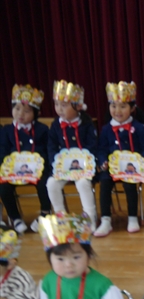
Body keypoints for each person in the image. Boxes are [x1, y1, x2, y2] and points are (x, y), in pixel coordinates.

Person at [94, 81, 144, 236]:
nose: (117, 110)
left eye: (123, 106)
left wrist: (142, 161)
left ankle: (132, 217)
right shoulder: (106, 129)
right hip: (112, 168)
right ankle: (106, 220)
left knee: (129, 184)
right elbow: (101, 148)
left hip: (132, 169)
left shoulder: (139, 128)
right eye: (113, 106)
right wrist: (103, 161)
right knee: (105, 183)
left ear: (132, 108)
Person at [46, 81, 99, 230]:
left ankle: (90, 218)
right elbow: (51, 146)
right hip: (63, 169)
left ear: (78, 106)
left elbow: (93, 145)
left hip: (84, 169)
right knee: (51, 183)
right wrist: (56, 163)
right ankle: (61, 217)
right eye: (57, 104)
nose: (59, 109)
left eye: (64, 105)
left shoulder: (87, 124)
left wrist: (87, 163)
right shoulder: (55, 125)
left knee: (82, 183)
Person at [0, 84, 51, 234]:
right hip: (14, 171)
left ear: (36, 113)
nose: (20, 114)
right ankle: (15, 218)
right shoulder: (7, 130)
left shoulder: (42, 129)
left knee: (44, 184)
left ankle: (45, 213)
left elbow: (47, 150)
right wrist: (7, 166)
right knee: (3, 186)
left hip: (37, 170)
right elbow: (2, 151)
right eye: (17, 109)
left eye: (27, 111)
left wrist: (41, 164)